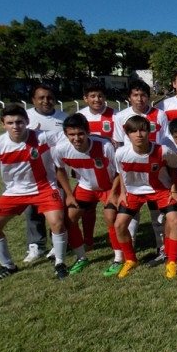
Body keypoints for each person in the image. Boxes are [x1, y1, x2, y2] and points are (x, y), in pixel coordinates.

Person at [0, 104, 69, 281]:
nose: (16, 126)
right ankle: (7, 266)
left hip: (45, 187)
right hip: (14, 192)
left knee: (57, 223)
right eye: (11, 122)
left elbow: (71, 136)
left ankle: (60, 263)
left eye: (20, 122)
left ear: (27, 122)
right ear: (3, 124)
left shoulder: (43, 137)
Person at [113, 115, 177, 279]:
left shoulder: (162, 150)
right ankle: (130, 260)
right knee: (119, 224)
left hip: (159, 190)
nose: (138, 134)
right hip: (134, 193)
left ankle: (172, 261)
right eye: (133, 131)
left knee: (175, 220)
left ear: (149, 132)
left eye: (142, 130)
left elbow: (174, 167)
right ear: (127, 134)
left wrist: (173, 189)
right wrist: (123, 193)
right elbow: (121, 173)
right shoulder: (121, 153)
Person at [53, 113, 120, 276]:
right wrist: (69, 194)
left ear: (88, 132)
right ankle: (81, 257)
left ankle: (119, 258)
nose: (76, 138)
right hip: (85, 187)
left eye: (80, 133)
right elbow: (60, 170)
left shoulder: (105, 146)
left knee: (111, 218)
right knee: (69, 219)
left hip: (108, 186)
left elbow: (119, 171)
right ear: (66, 135)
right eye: (72, 134)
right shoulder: (61, 149)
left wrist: (114, 194)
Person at [113, 79, 168, 265]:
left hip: (153, 170)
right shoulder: (121, 117)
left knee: (157, 215)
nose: (139, 99)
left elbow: (163, 142)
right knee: (131, 215)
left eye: (143, 95)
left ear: (148, 97)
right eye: (135, 95)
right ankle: (130, 251)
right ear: (129, 97)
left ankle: (161, 248)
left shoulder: (159, 115)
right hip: (132, 173)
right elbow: (119, 146)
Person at [22, 84, 68, 263]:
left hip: (55, 171)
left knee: (57, 209)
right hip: (30, 173)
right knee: (32, 210)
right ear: (33, 100)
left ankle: (57, 245)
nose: (45, 101)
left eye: (49, 97)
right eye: (41, 97)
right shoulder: (25, 117)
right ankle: (36, 246)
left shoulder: (63, 118)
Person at [78, 79, 118, 249]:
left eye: (100, 96)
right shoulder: (80, 117)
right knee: (87, 208)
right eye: (92, 96)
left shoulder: (115, 115)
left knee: (112, 209)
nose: (97, 100)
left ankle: (117, 242)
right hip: (86, 169)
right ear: (85, 98)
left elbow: (119, 142)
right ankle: (88, 240)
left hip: (109, 169)